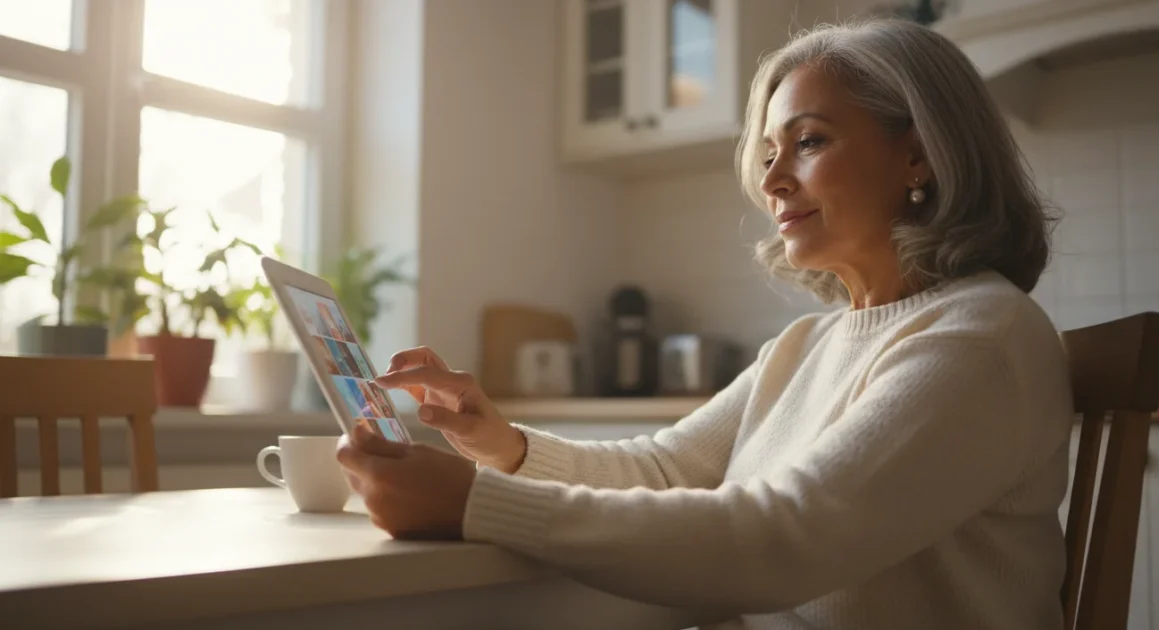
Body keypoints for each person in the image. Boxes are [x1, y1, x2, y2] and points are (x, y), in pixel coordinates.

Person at [335, 18, 1072, 630]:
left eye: (809, 141)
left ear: (918, 153)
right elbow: (662, 472)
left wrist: (478, 503)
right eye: (770, 151)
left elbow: (780, 540)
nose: (774, 179)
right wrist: (501, 445)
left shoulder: (978, 336)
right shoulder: (808, 344)